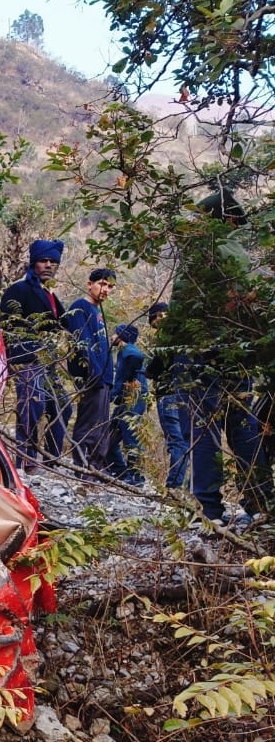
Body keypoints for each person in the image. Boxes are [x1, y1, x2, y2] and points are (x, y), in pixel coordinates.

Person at [158, 189, 273, 523]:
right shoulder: (243, 255)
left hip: (200, 355)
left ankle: (210, 510)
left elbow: (179, 311)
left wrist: (165, 358)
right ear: (233, 219)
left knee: (203, 429)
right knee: (243, 426)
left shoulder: (199, 252)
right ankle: (260, 503)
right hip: (238, 355)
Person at [0, 239, 68, 471]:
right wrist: (20, 353)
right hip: (27, 359)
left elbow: (63, 322)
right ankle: (25, 460)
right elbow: (6, 323)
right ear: (34, 263)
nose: (48, 265)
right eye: (43, 260)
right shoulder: (20, 289)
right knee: (32, 408)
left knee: (62, 406)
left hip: (47, 360)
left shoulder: (49, 293)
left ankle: (51, 459)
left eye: (52, 261)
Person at [65, 268, 116, 470]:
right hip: (91, 377)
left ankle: (96, 469)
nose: (106, 290)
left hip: (104, 378)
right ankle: (82, 468)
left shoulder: (98, 310)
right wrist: (93, 373)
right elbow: (82, 342)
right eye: (102, 284)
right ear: (90, 284)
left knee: (102, 426)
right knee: (88, 424)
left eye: (111, 287)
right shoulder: (80, 306)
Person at [145, 302, 189, 489]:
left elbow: (154, 368)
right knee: (184, 441)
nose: (160, 320)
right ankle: (183, 487)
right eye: (157, 316)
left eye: (164, 315)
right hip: (184, 395)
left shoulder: (167, 339)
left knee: (177, 442)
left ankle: (173, 487)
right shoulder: (181, 338)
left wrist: (149, 371)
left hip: (169, 394)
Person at [107, 323, 148, 485]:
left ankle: (137, 478)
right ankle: (120, 472)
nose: (111, 337)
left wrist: (131, 378)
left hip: (134, 398)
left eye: (114, 333)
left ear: (121, 336)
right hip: (125, 399)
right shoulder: (123, 352)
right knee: (109, 436)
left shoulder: (128, 349)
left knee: (131, 436)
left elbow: (138, 357)